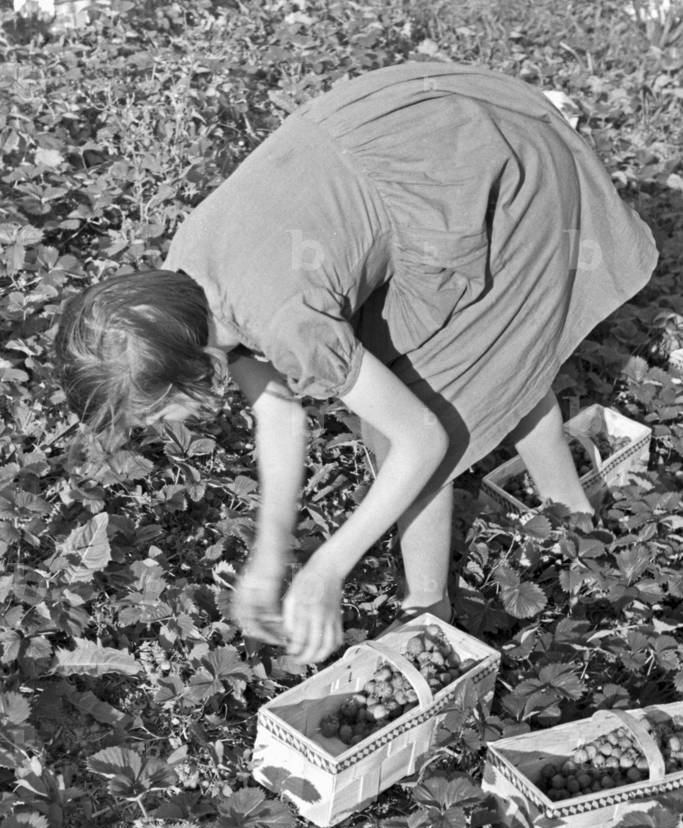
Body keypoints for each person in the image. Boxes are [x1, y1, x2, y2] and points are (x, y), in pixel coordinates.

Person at [55, 61, 658, 665]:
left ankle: (429, 610)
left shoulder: (285, 321)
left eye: (153, 416)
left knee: (429, 400)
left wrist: (328, 567)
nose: (161, 430)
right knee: (490, 361)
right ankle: (573, 518)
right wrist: (270, 554)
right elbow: (279, 414)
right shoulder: (188, 280)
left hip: (495, 176)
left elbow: (420, 439)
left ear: (185, 368)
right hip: (429, 144)